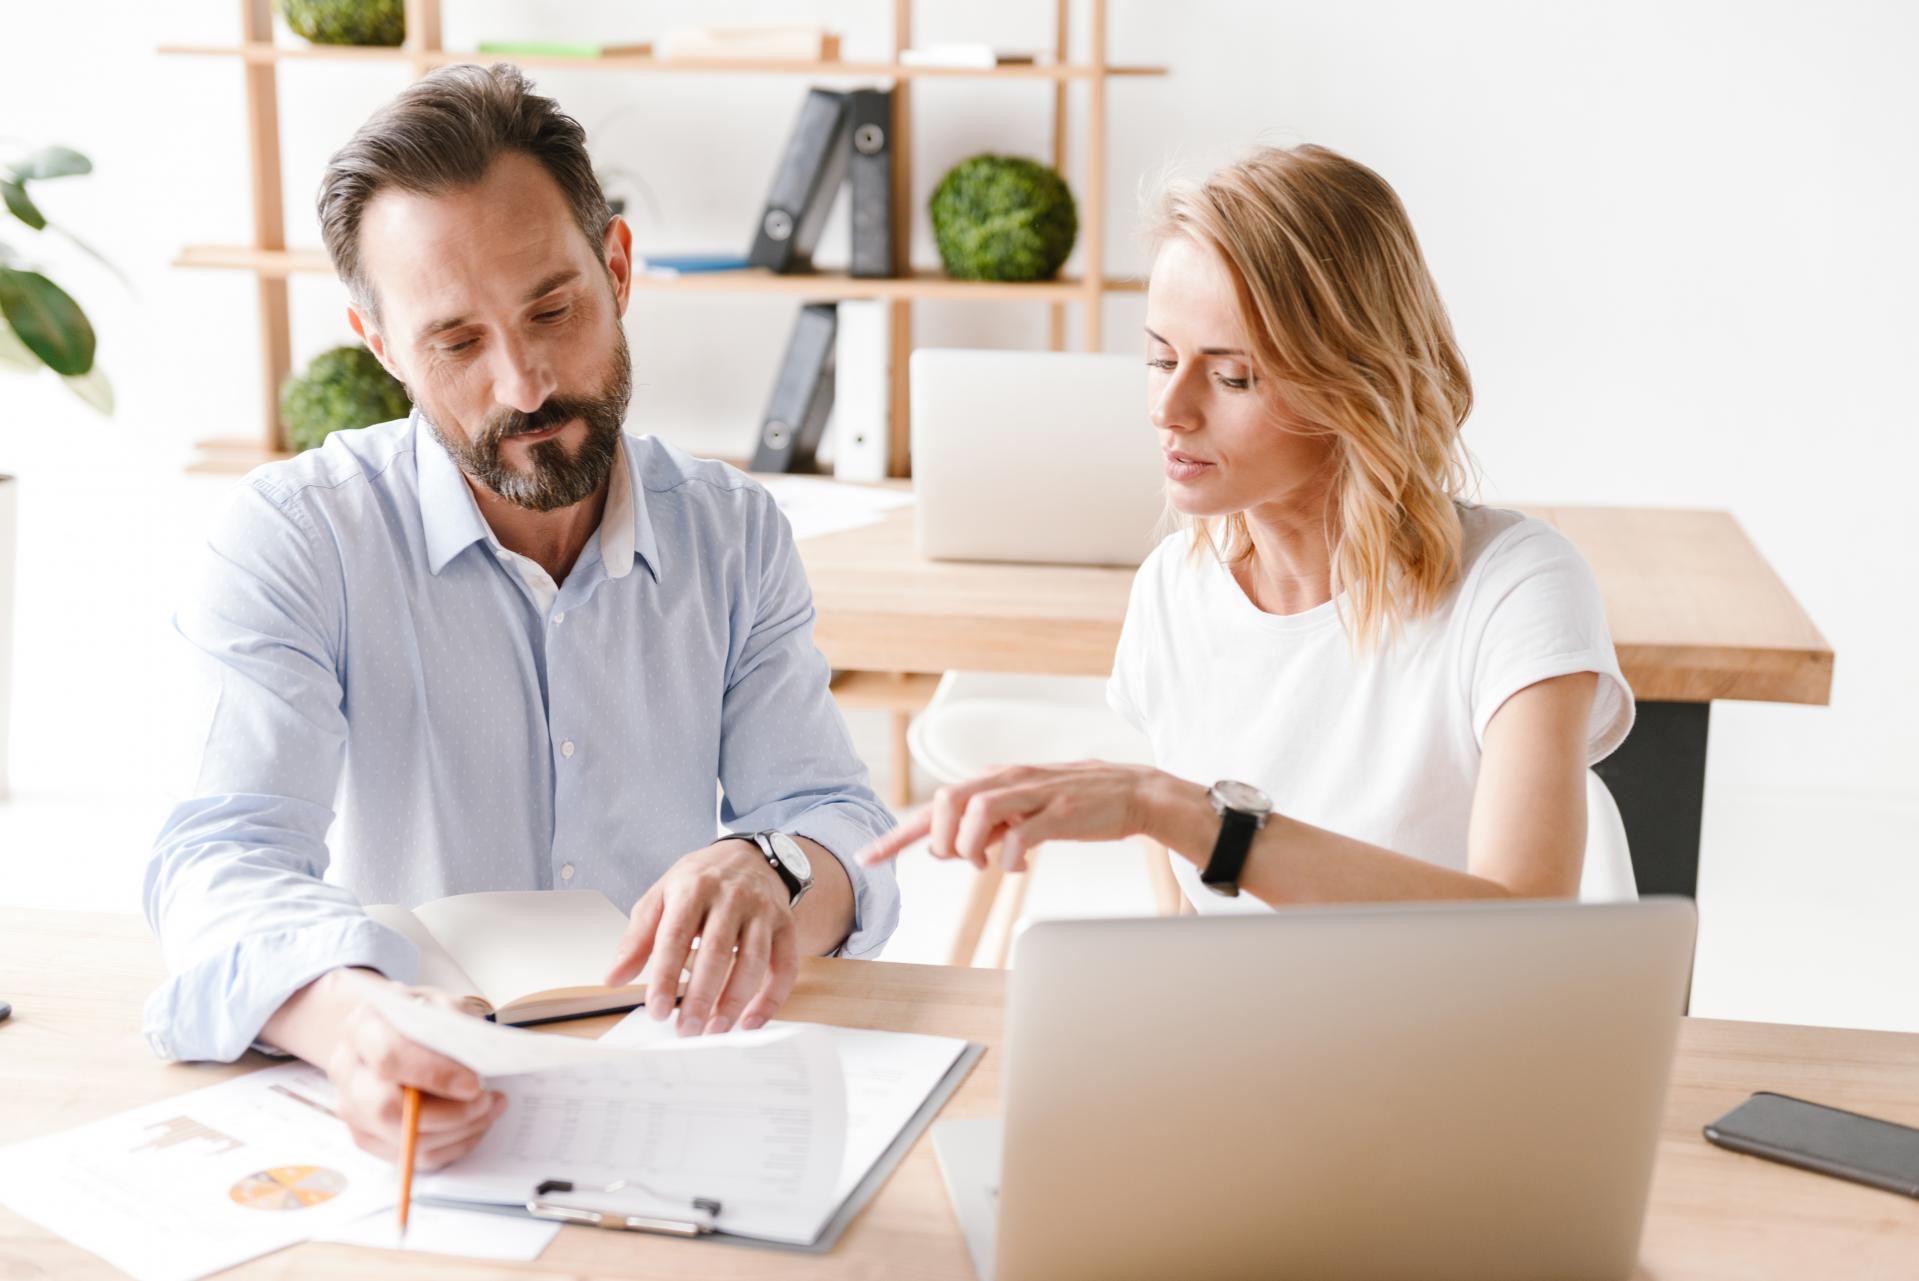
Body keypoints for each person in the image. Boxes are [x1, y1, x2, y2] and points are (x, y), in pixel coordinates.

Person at [142, 63, 899, 1170]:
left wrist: (772, 869)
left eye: (554, 308)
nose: (527, 383)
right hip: (416, 1096)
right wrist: (356, 1025)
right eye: (457, 343)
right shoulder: (296, 538)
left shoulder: (732, 533)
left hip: (676, 1097)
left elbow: (833, 819)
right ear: (381, 345)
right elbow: (220, 859)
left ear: (620, 266)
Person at [860, 144, 1632, 912]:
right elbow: (1195, 932)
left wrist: (1175, 809)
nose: (1169, 410)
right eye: (1161, 360)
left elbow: (1526, 926)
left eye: (1233, 376)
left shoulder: (1514, 587)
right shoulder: (1173, 591)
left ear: (1353, 382)